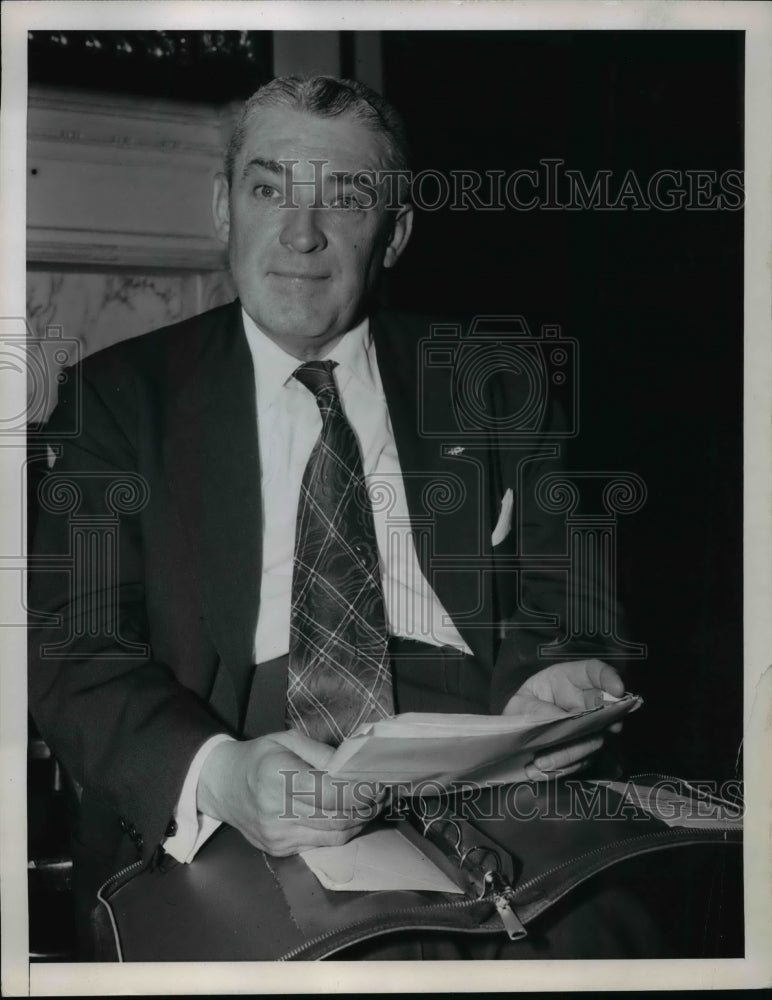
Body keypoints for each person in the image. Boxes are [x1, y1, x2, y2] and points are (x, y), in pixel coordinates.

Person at [27, 75, 649, 960]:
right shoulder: (119, 401)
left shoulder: (493, 379)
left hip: (491, 771)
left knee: (618, 942)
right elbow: (69, 643)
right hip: (247, 767)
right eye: (269, 188)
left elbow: (574, 598)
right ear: (222, 208)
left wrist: (558, 684)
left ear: (394, 233)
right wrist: (219, 774)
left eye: (345, 197)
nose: (302, 235)